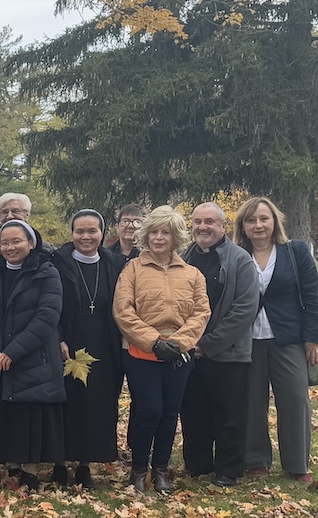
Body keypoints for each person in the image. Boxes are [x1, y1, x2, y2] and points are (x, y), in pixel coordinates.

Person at [113, 205, 210, 494]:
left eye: (165, 232)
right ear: (146, 235)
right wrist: (154, 341)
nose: (158, 238)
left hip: (179, 353)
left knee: (170, 412)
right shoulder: (131, 269)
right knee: (149, 410)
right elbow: (123, 311)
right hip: (141, 351)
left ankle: (161, 470)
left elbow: (201, 312)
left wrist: (178, 343)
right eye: (154, 232)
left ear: (175, 237)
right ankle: (139, 470)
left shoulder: (192, 274)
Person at [0, 220, 66, 490]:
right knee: (7, 413)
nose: (10, 247)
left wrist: (12, 352)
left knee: (30, 415)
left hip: (34, 357)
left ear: (31, 243)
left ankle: (31, 470)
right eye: (4, 243)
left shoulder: (47, 273)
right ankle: (11, 466)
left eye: (16, 241)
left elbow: (46, 318)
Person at [235, 197, 318, 482]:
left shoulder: (295, 252)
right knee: (251, 401)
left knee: (295, 400)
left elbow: (312, 296)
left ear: (274, 222)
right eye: (251, 220)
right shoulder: (236, 255)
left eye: (263, 219)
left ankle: (297, 464)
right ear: (243, 226)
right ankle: (256, 459)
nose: (258, 225)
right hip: (248, 339)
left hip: (289, 338)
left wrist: (312, 338)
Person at [179, 202, 257, 487]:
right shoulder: (184, 258)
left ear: (223, 226)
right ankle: (198, 464)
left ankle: (229, 469)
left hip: (228, 353)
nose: (203, 227)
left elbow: (245, 310)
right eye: (198, 221)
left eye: (210, 221)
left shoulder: (241, 260)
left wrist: (208, 344)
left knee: (229, 414)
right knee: (193, 411)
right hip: (190, 351)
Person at [52, 210, 126, 488]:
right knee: (64, 403)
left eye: (92, 231)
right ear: (71, 234)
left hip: (104, 343)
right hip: (66, 341)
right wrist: (56, 337)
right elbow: (50, 304)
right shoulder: (57, 263)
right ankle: (59, 461)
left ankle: (85, 463)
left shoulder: (115, 264)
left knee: (97, 403)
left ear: (102, 233)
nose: (86, 236)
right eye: (79, 231)